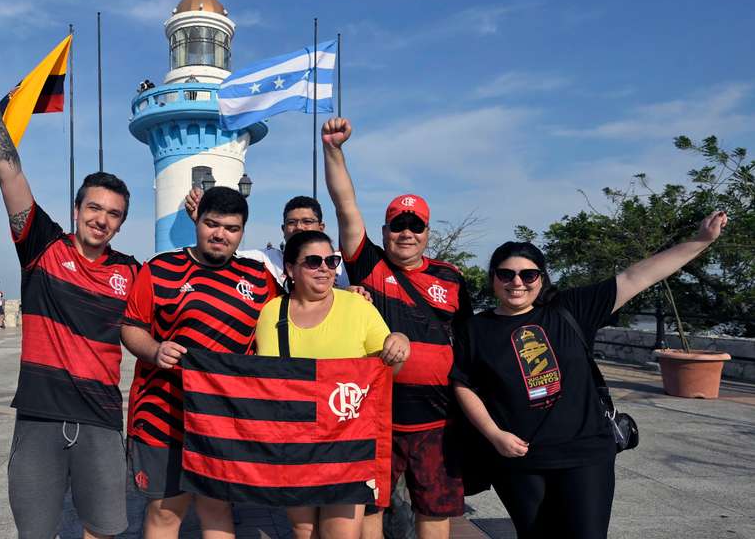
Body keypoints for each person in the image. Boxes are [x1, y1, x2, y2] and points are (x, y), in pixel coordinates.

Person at [451, 211, 728, 539]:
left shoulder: (571, 309)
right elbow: (464, 383)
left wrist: (699, 241)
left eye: (528, 275)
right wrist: (494, 435)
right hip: (518, 458)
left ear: (542, 278)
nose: (517, 283)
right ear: (493, 278)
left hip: (585, 453)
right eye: (506, 274)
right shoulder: (475, 329)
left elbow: (637, 277)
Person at [0, 46, 140, 539]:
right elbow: (7, 168)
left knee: (103, 530)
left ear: (122, 222)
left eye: (113, 214)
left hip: (103, 420)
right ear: (77, 207)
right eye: (94, 207)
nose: (101, 219)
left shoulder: (131, 270)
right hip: (40, 416)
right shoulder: (41, 246)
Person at [322, 117, 474, 539]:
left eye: (416, 225)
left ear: (427, 232)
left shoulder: (452, 277)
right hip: (377, 414)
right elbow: (344, 205)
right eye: (398, 225)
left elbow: (469, 343)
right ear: (385, 230)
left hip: (438, 418)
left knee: (434, 509)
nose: (406, 233)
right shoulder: (368, 264)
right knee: (372, 505)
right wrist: (334, 150)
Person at [122, 186, 282, 539]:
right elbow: (131, 327)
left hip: (224, 419)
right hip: (162, 415)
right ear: (197, 220)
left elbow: (299, 313)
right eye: (212, 224)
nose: (221, 234)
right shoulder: (160, 269)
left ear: (242, 231)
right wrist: (154, 350)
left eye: (231, 228)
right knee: (165, 512)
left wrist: (352, 296)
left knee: (216, 508)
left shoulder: (259, 279)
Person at [254, 230, 410, 539]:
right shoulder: (271, 312)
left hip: (347, 445)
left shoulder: (358, 307)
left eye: (332, 261)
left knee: (340, 533)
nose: (325, 268)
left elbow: (389, 369)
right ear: (289, 269)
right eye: (313, 261)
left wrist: (399, 343)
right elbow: (264, 382)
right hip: (293, 446)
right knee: (304, 531)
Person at [186, 190, 352, 288]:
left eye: (307, 221)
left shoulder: (338, 264)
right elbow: (222, 251)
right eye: (291, 222)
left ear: (321, 227)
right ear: (283, 229)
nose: (299, 227)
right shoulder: (265, 259)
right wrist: (202, 223)